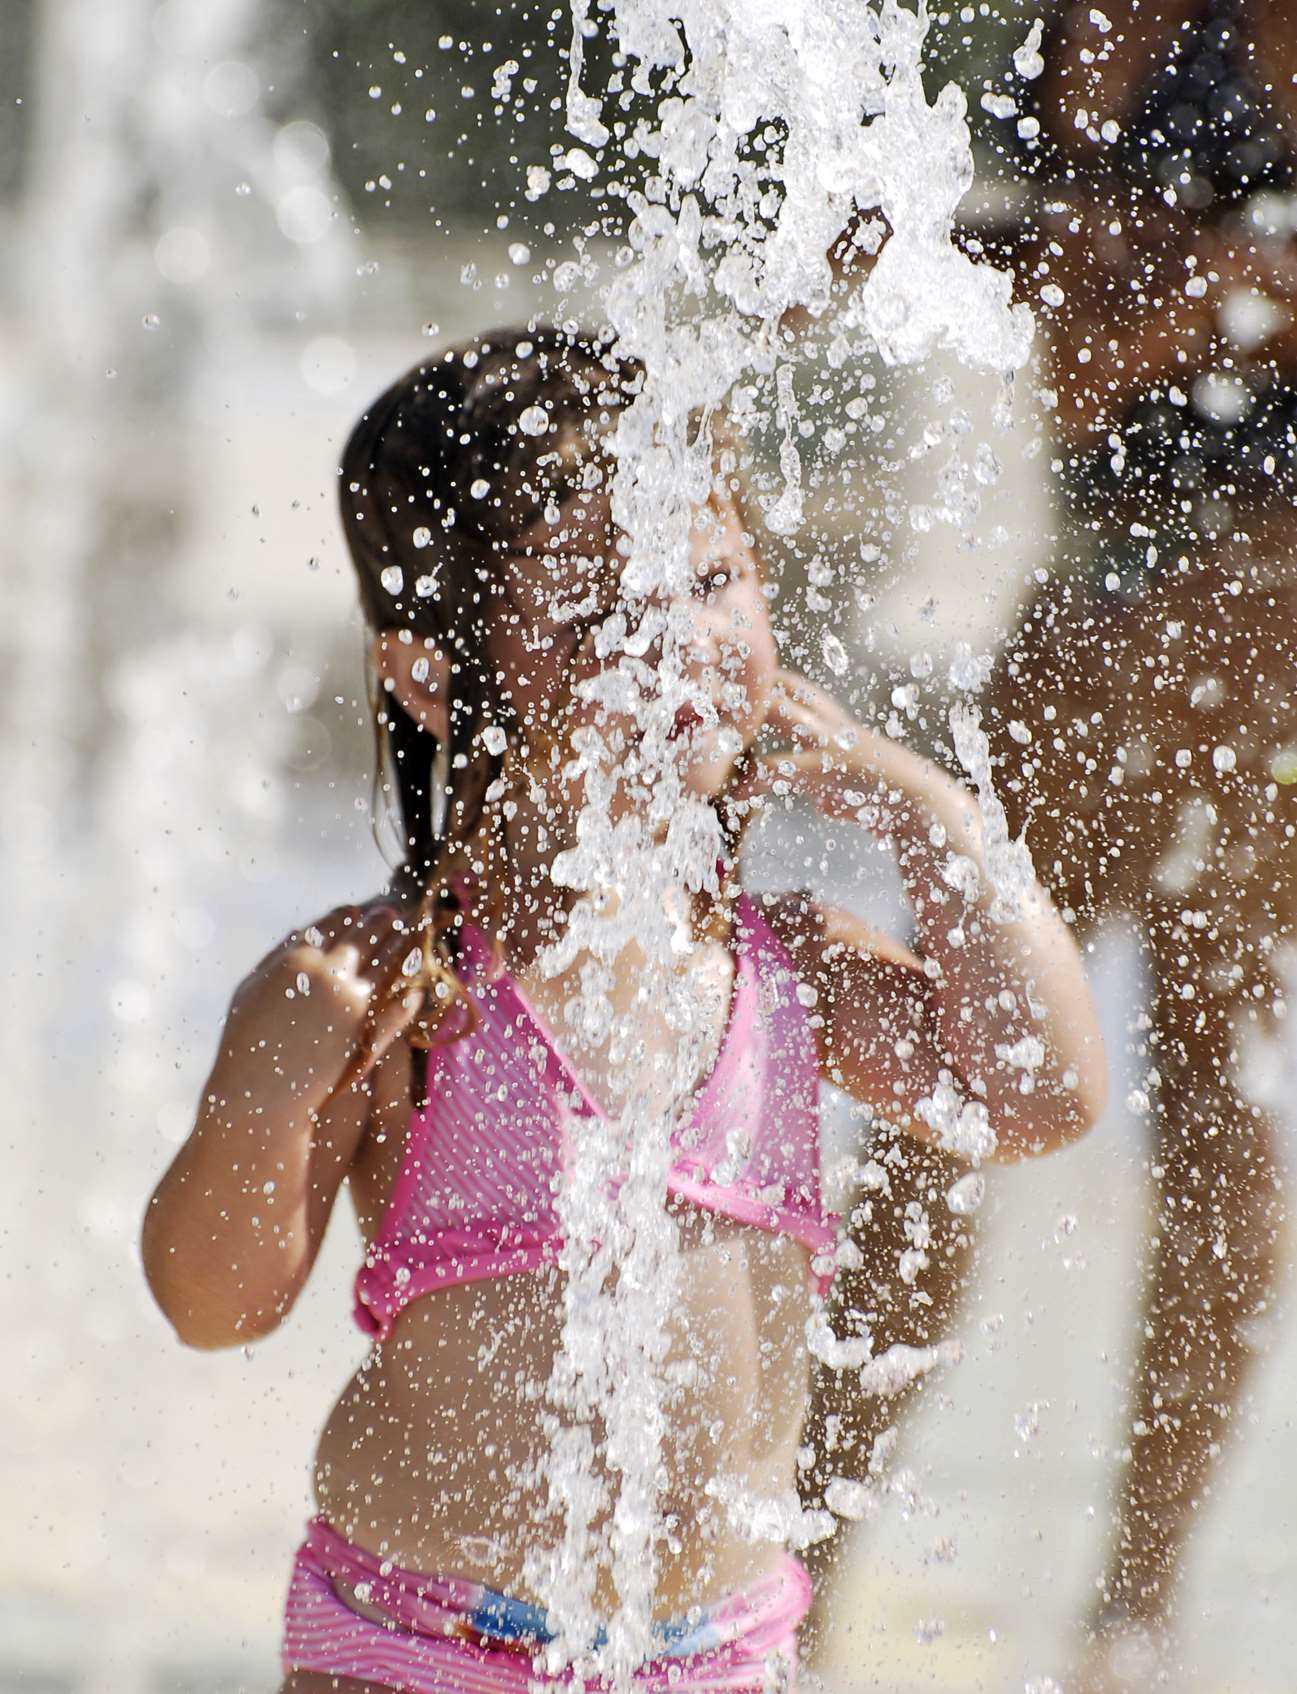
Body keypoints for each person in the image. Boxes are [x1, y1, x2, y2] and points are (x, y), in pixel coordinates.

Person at [141, 327, 1105, 1693]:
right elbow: (216, 1306)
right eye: (590, 604)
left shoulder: (791, 975)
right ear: (429, 674)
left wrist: (926, 809)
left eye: (708, 579)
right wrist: (272, 1082)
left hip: (715, 1656)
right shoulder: (389, 995)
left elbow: (1037, 1094)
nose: (671, 638)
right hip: (420, 1648)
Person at [807, 0, 1297, 1685]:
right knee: (965, 1050)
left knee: (1189, 1065)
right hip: (1105, 574)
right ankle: (812, 1567)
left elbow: (1208, 269)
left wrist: (1189, 296)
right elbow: (1064, 247)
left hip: (1266, 591)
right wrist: (922, 252)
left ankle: (1127, 1611)